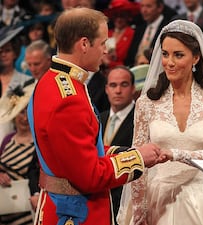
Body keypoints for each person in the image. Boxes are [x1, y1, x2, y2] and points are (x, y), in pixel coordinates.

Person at [27, 8, 164, 225]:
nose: (106, 50)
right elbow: (90, 176)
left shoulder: (51, 81)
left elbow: (78, 152)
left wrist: (125, 151)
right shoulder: (68, 99)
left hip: (60, 205)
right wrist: (138, 159)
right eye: (102, 43)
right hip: (73, 213)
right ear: (84, 44)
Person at [117, 19, 203, 225]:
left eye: (178, 55)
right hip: (156, 198)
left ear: (196, 57)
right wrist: (139, 210)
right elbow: (138, 160)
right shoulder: (146, 103)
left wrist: (175, 154)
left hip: (201, 200)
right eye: (165, 54)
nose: (169, 62)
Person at [100, 66, 136, 225]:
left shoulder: (140, 119)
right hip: (99, 196)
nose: (118, 91)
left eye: (124, 84)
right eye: (113, 85)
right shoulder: (98, 118)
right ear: (106, 89)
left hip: (126, 198)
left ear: (133, 88)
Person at [0, 79, 38, 225]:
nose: (24, 118)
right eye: (20, 112)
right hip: (4, 211)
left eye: (27, 112)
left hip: (29, 212)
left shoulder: (39, 142)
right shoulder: (8, 139)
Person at [0, 25, 31, 147]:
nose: (3, 55)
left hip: (13, 144)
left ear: (15, 53)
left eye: (7, 50)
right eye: (0, 51)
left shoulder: (26, 82)